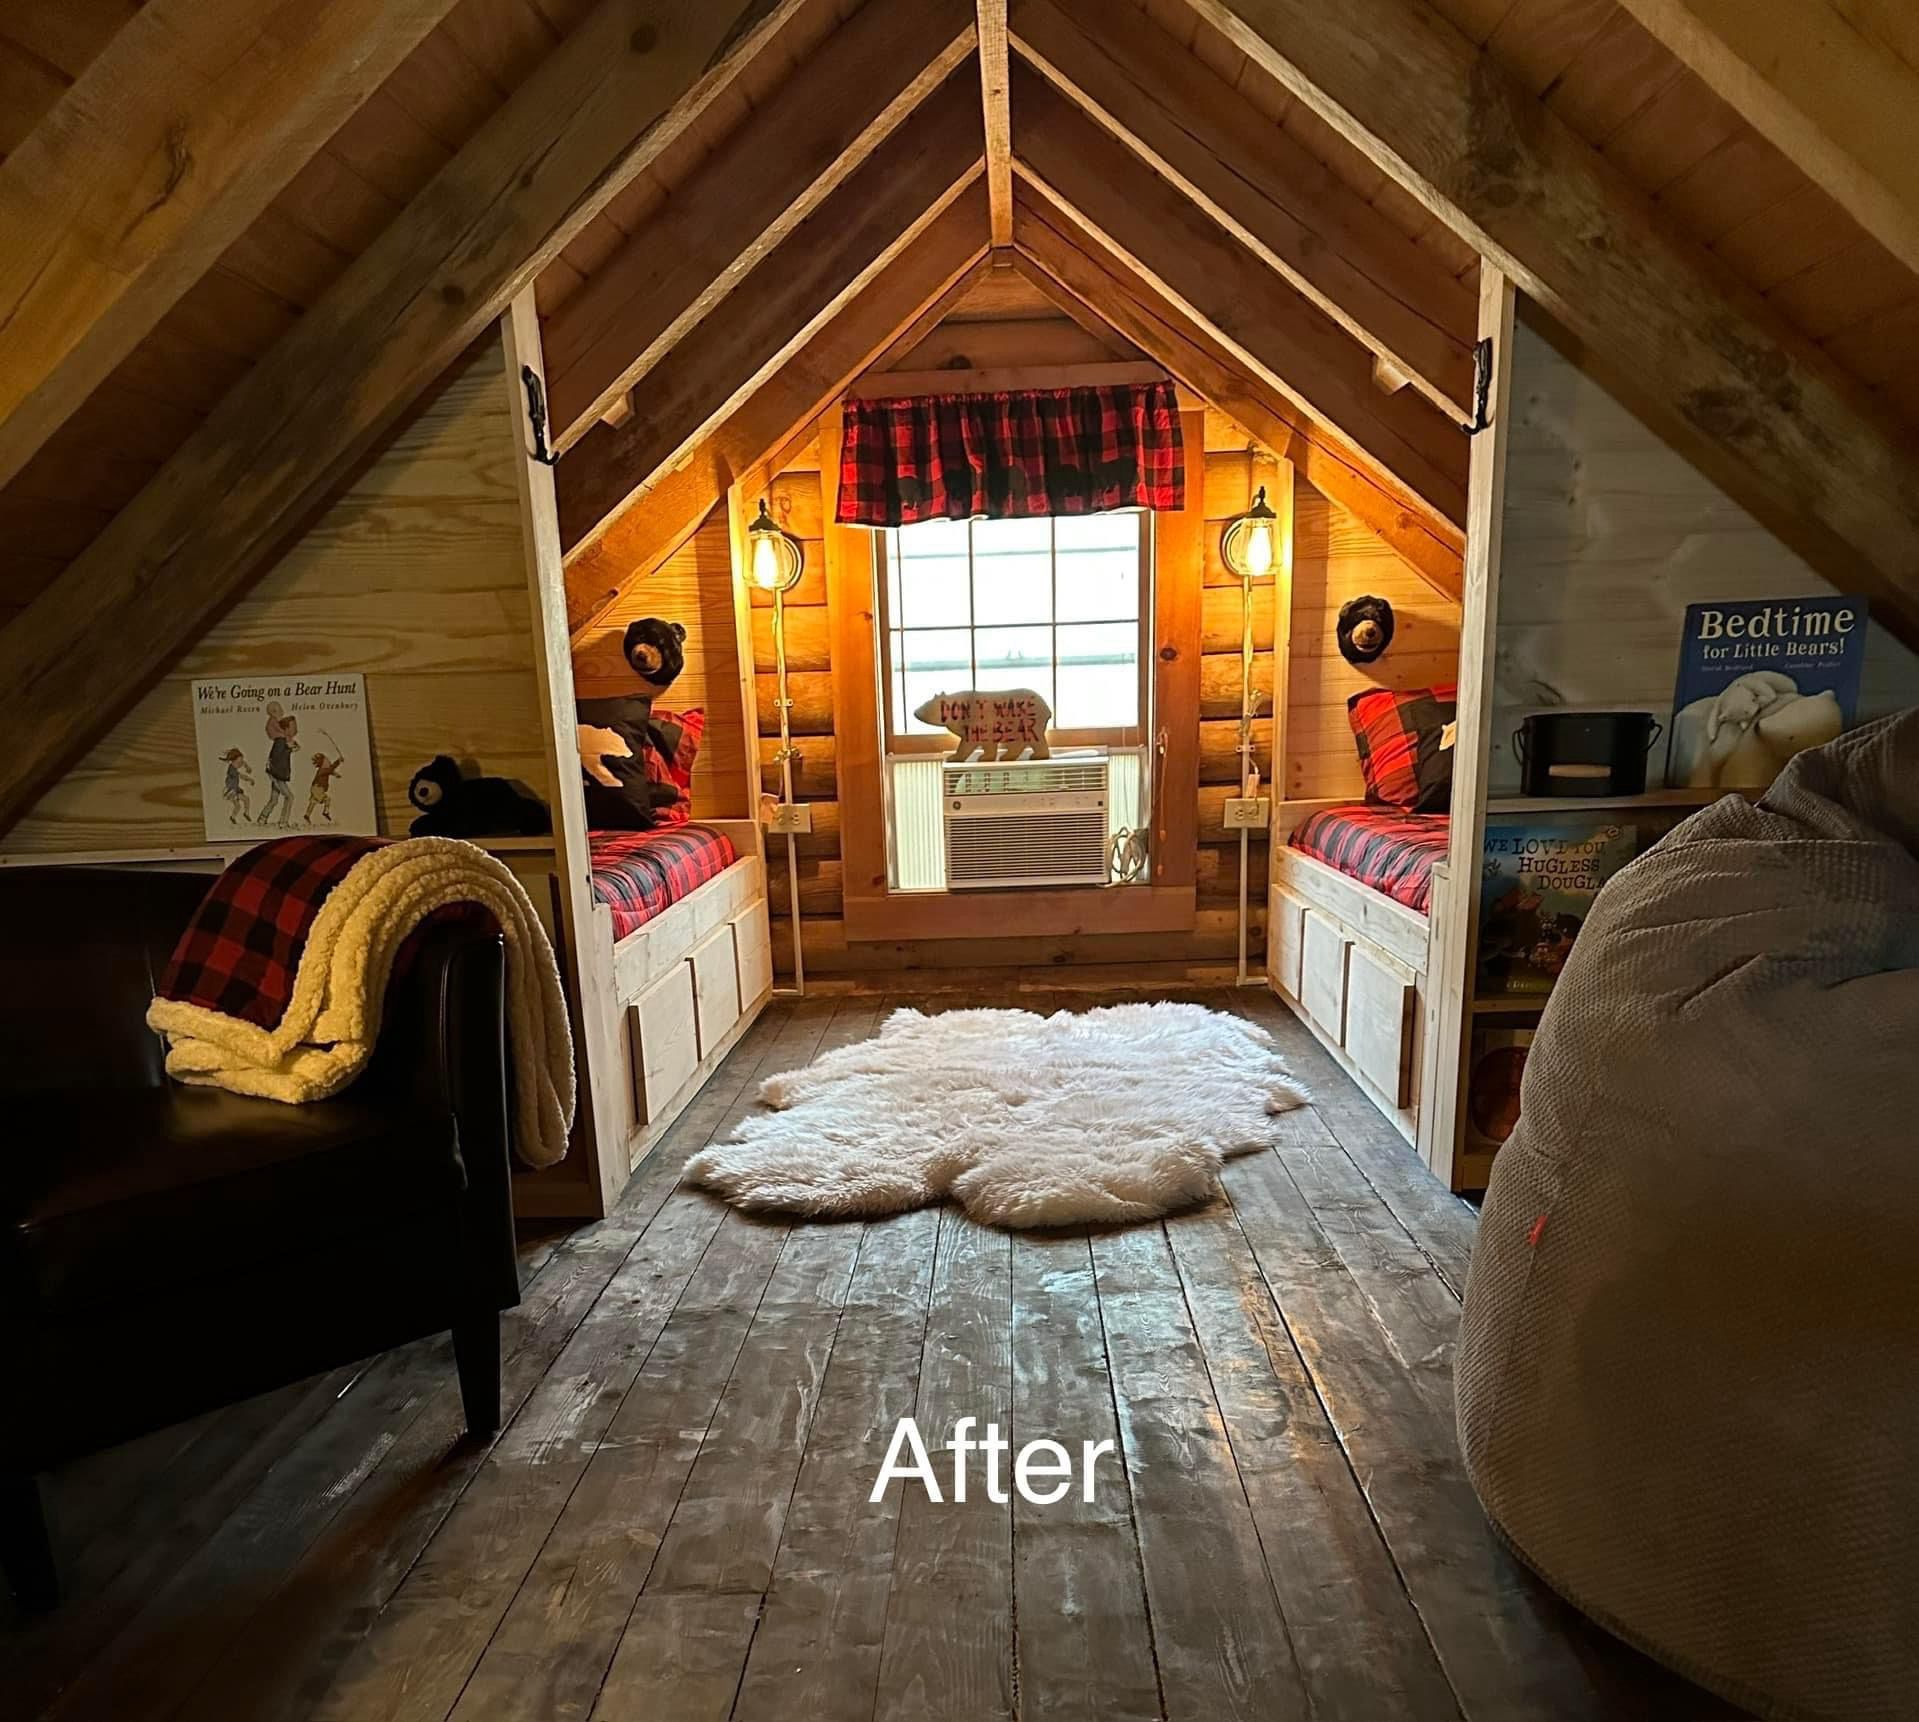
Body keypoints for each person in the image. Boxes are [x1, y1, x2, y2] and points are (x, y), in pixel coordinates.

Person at [261, 704, 297, 827]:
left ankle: (262, 818)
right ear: (286, 729)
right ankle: (283, 821)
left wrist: (290, 748)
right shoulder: (280, 741)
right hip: (276, 774)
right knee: (289, 797)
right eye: (293, 727)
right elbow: (276, 757)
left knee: (274, 799)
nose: (295, 730)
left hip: (276, 773)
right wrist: (288, 748)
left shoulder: (282, 740)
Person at [304, 750, 345, 824]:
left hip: (316, 788)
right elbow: (330, 769)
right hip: (318, 788)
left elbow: (329, 771)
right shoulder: (322, 770)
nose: (328, 761)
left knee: (313, 802)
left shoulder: (323, 770)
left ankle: (307, 815)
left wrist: (336, 774)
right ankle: (325, 812)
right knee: (327, 799)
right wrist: (338, 761)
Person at [218, 748, 253, 824]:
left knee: (239, 805)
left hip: (235, 789)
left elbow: (242, 762)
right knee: (245, 800)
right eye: (238, 763)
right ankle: (244, 814)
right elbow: (241, 775)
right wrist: (250, 779)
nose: (240, 765)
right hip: (231, 791)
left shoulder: (234, 765)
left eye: (240, 763)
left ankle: (234, 817)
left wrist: (247, 766)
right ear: (233, 761)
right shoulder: (232, 770)